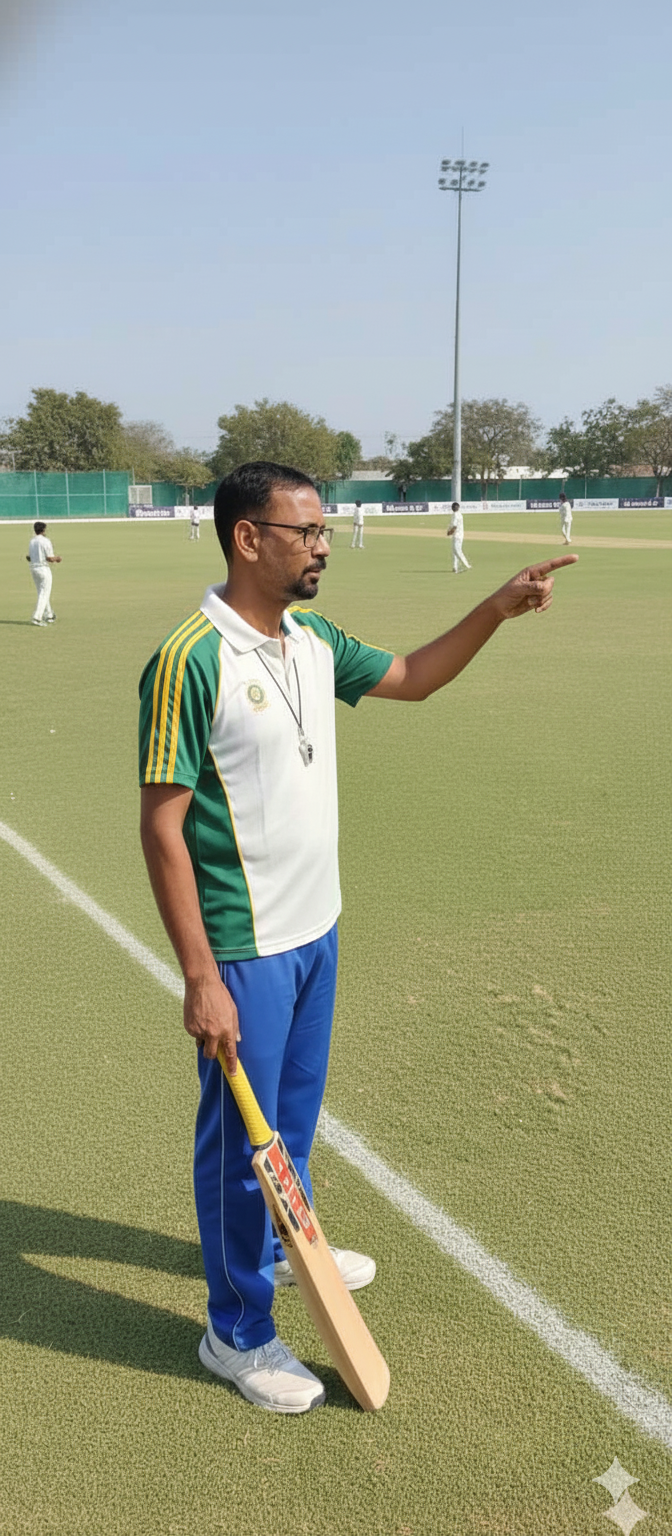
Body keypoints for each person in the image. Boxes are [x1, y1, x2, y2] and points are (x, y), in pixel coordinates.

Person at [138, 460, 576, 1414]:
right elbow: (162, 824)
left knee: (290, 1130)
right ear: (249, 538)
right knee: (239, 1152)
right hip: (245, 950)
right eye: (306, 532)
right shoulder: (190, 658)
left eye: (324, 530)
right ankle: (235, 1332)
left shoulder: (311, 637)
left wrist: (495, 611)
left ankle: (280, 1252)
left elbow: (413, 678)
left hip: (316, 929)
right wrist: (200, 975)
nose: (323, 545)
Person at [26, 520, 62, 625]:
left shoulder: (32, 541)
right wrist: (57, 559)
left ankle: (49, 614)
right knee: (44, 593)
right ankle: (37, 617)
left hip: (34, 568)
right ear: (43, 530)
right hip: (43, 569)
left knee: (41, 592)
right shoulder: (45, 541)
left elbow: (29, 557)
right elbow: (49, 558)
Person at [447, 501, 471, 572]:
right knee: (454, 551)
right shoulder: (460, 514)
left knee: (457, 551)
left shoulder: (455, 515)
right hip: (460, 535)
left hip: (457, 535)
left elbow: (454, 526)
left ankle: (466, 565)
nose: (454, 508)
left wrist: (450, 532)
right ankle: (455, 567)